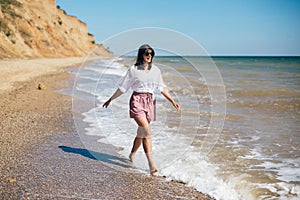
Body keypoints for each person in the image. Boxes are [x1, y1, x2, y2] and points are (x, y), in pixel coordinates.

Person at [103, 44, 180, 175]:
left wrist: (172, 101)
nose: (149, 55)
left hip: (150, 102)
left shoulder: (156, 70)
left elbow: (161, 88)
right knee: (147, 131)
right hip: (137, 101)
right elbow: (123, 87)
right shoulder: (133, 69)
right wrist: (111, 99)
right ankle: (151, 164)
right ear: (141, 54)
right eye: (146, 53)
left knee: (141, 133)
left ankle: (132, 154)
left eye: (151, 53)